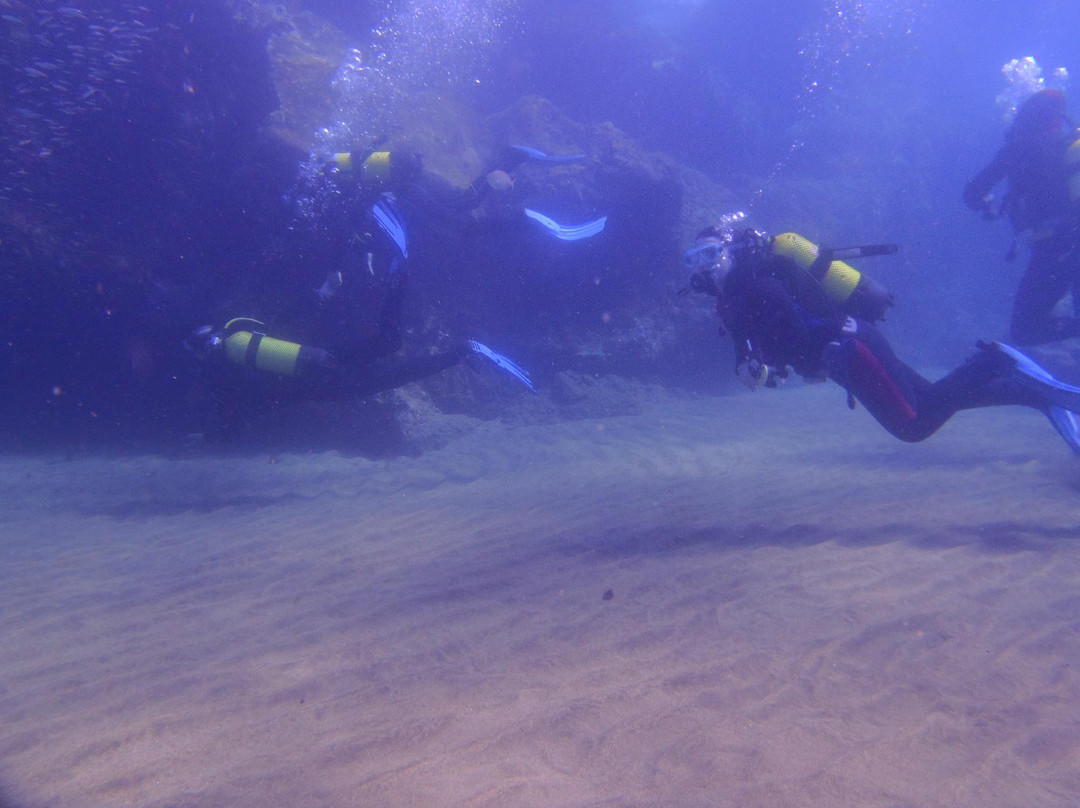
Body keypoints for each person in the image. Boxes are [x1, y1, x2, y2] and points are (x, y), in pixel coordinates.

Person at [683, 218, 1080, 453]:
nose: (708, 266)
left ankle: (991, 362)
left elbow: (795, 328)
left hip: (852, 350)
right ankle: (1032, 394)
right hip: (846, 353)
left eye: (713, 254)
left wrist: (777, 364)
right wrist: (751, 369)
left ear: (731, 252)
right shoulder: (731, 300)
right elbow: (745, 346)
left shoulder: (755, 284)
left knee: (913, 426)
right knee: (930, 399)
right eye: (697, 260)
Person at [186, 195, 534, 431]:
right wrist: (321, 298)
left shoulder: (225, 372)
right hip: (324, 352)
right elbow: (285, 326)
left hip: (324, 380)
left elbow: (243, 410)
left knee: (392, 374)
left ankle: (462, 351)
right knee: (388, 341)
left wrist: (209, 437)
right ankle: (399, 277)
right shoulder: (243, 332)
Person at [964, 88, 1080, 345]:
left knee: (1025, 330)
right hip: (1072, 243)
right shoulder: (1069, 145)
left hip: (1054, 251)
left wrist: (988, 205)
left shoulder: (1016, 150)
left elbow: (972, 194)